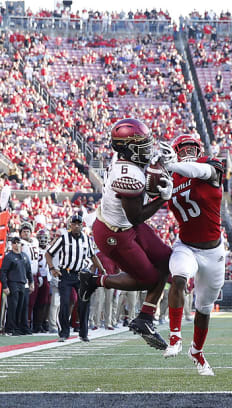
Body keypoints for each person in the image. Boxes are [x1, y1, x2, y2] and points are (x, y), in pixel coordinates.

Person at [78, 118, 173, 350]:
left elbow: (146, 164)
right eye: (142, 146)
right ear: (128, 149)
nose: (147, 150)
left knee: (166, 260)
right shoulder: (128, 176)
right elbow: (137, 216)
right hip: (114, 233)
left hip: (124, 225)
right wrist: (162, 198)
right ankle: (93, 281)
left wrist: (164, 162)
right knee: (149, 279)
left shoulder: (126, 158)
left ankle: (146, 318)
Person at [155, 134, 225, 376]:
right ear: (174, 150)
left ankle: (197, 351)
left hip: (213, 251)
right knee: (179, 278)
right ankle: (175, 336)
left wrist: (173, 164)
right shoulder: (170, 177)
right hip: (186, 245)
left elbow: (202, 172)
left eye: (191, 148)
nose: (187, 152)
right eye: (182, 149)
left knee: (204, 308)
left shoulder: (211, 165)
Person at [46, 214, 104, 343]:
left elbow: (93, 256)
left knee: (84, 303)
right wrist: (52, 268)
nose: (76, 226)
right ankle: (64, 333)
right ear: (70, 225)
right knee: (65, 303)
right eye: (74, 224)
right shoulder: (63, 238)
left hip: (81, 274)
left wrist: (102, 270)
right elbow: (48, 254)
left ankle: (83, 333)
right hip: (66, 274)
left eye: (79, 224)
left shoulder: (87, 239)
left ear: (82, 225)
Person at [0, 236, 32, 336]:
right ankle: (10, 327)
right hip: (13, 283)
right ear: (12, 244)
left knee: (21, 307)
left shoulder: (24, 256)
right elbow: (3, 272)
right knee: (13, 306)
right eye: (14, 243)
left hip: (22, 283)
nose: (16, 245)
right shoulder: (9, 257)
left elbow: (28, 271)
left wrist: (31, 282)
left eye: (18, 243)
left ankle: (18, 327)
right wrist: (5, 286)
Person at [32, 228, 52, 333]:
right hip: (39, 275)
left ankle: (44, 321)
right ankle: (37, 323)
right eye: (41, 238)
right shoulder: (34, 247)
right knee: (38, 302)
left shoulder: (50, 248)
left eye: (45, 238)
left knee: (46, 302)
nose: (43, 240)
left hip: (48, 277)